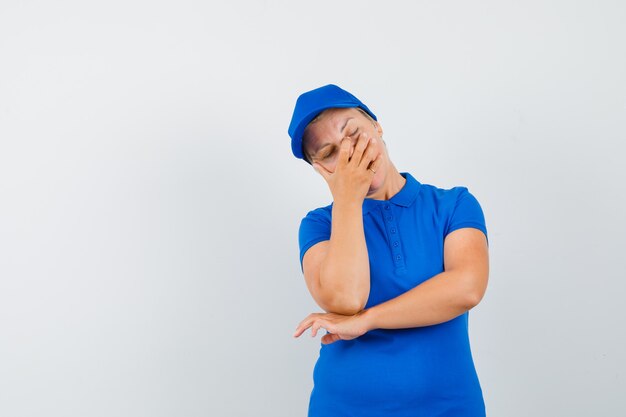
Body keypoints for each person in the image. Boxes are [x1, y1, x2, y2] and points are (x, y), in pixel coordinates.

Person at [288, 84, 490, 417]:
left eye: (353, 133)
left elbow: (466, 287)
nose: (350, 155)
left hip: (449, 406)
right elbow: (346, 298)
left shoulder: (453, 205)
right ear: (321, 170)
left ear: (377, 126)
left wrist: (366, 321)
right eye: (329, 153)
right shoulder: (319, 225)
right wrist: (348, 199)